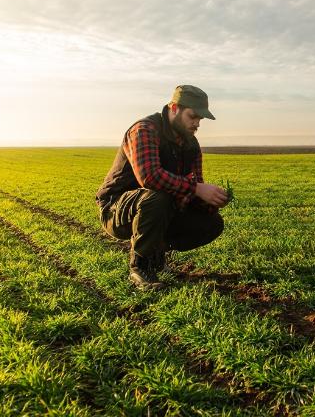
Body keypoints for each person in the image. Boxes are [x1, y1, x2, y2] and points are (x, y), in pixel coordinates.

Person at [95, 85, 229, 289]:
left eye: (200, 119)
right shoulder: (144, 130)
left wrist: (211, 201)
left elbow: (193, 189)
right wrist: (197, 189)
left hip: (159, 208)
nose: (197, 124)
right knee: (158, 196)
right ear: (174, 108)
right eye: (193, 116)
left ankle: (156, 253)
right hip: (116, 209)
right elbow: (150, 177)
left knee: (212, 222)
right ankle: (140, 267)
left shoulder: (191, 144)